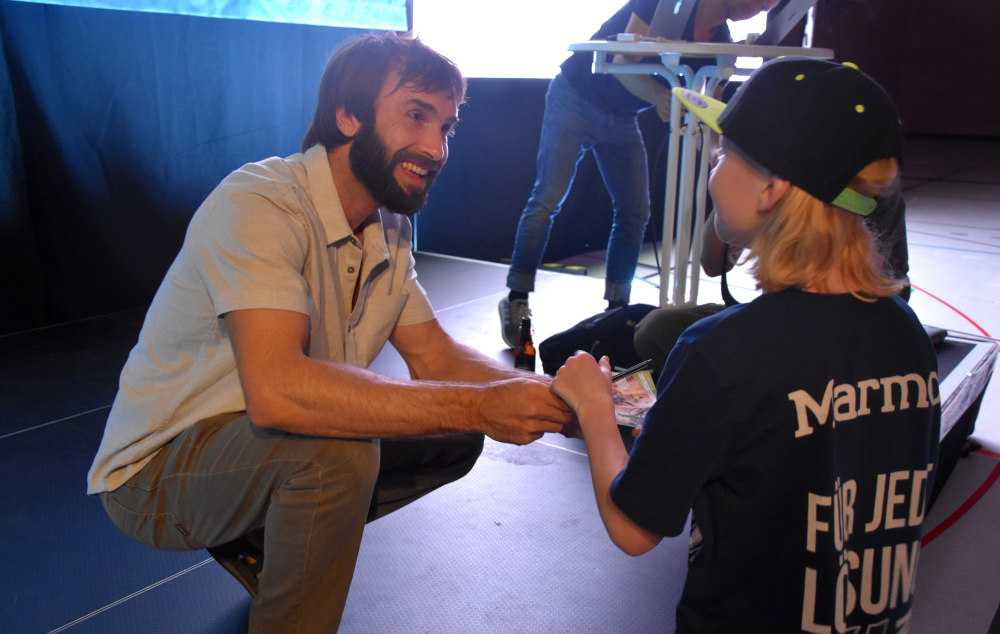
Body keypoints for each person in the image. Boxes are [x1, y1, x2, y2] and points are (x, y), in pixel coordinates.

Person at [87, 32, 572, 632]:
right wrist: (479, 404)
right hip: (156, 474)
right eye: (416, 116)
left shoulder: (387, 224)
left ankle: (267, 539)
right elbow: (278, 390)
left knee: (452, 433)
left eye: (446, 127)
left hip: (257, 447)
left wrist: (557, 401)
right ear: (348, 115)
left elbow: (433, 353)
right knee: (337, 454)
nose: (437, 147)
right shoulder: (261, 202)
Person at [551, 58, 941, 632]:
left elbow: (632, 528)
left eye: (721, 154)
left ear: (771, 187)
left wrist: (592, 405)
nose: (712, 167)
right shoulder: (907, 336)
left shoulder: (722, 350)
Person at [498, 0, 781, 347]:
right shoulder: (664, 5)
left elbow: (709, 108)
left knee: (636, 211)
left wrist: (717, 155)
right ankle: (517, 298)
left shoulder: (719, 41)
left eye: (767, 4)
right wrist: (661, 95)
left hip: (622, 116)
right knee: (548, 199)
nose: (756, 7)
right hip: (576, 96)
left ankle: (617, 309)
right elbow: (620, 62)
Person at [634, 185, 912, 378]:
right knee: (659, 329)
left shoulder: (868, 189)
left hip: (839, 334)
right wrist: (726, 197)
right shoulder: (757, 174)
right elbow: (712, 264)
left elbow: (893, 294)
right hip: (777, 319)